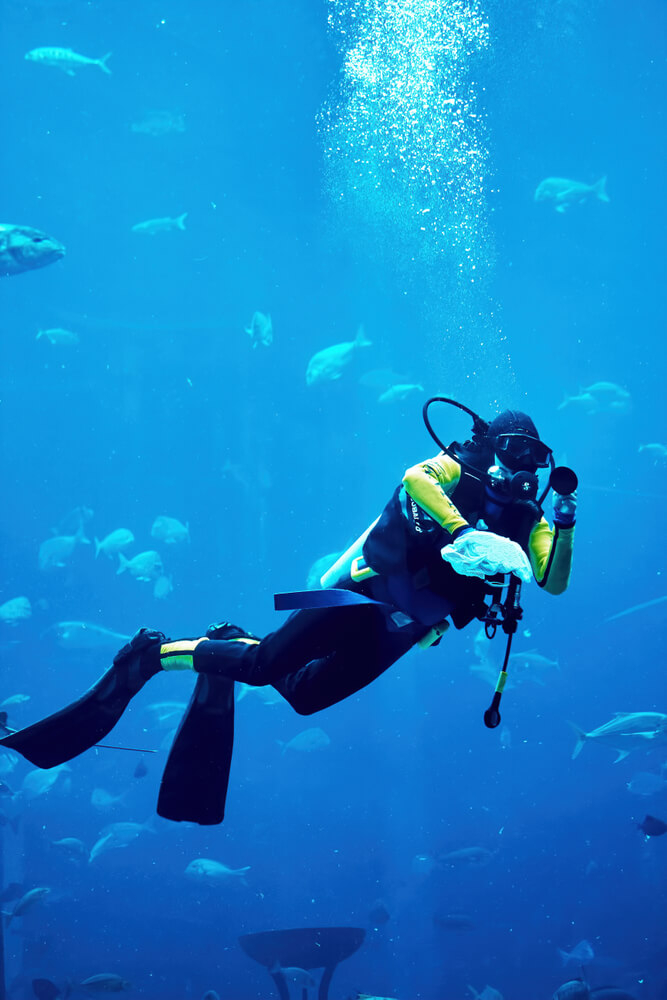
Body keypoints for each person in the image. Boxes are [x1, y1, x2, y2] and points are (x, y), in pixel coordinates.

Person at [1, 401, 576, 825]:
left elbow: (551, 580)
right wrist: (460, 532)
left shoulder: (530, 518)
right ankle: (151, 657)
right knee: (261, 667)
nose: (527, 466)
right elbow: (415, 479)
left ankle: (232, 637)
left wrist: (566, 523)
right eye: (517, 451)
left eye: (536, 457)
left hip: (404, 628)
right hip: (354, 592)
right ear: (493, 446)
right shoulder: (459, 466)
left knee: (303, 697)